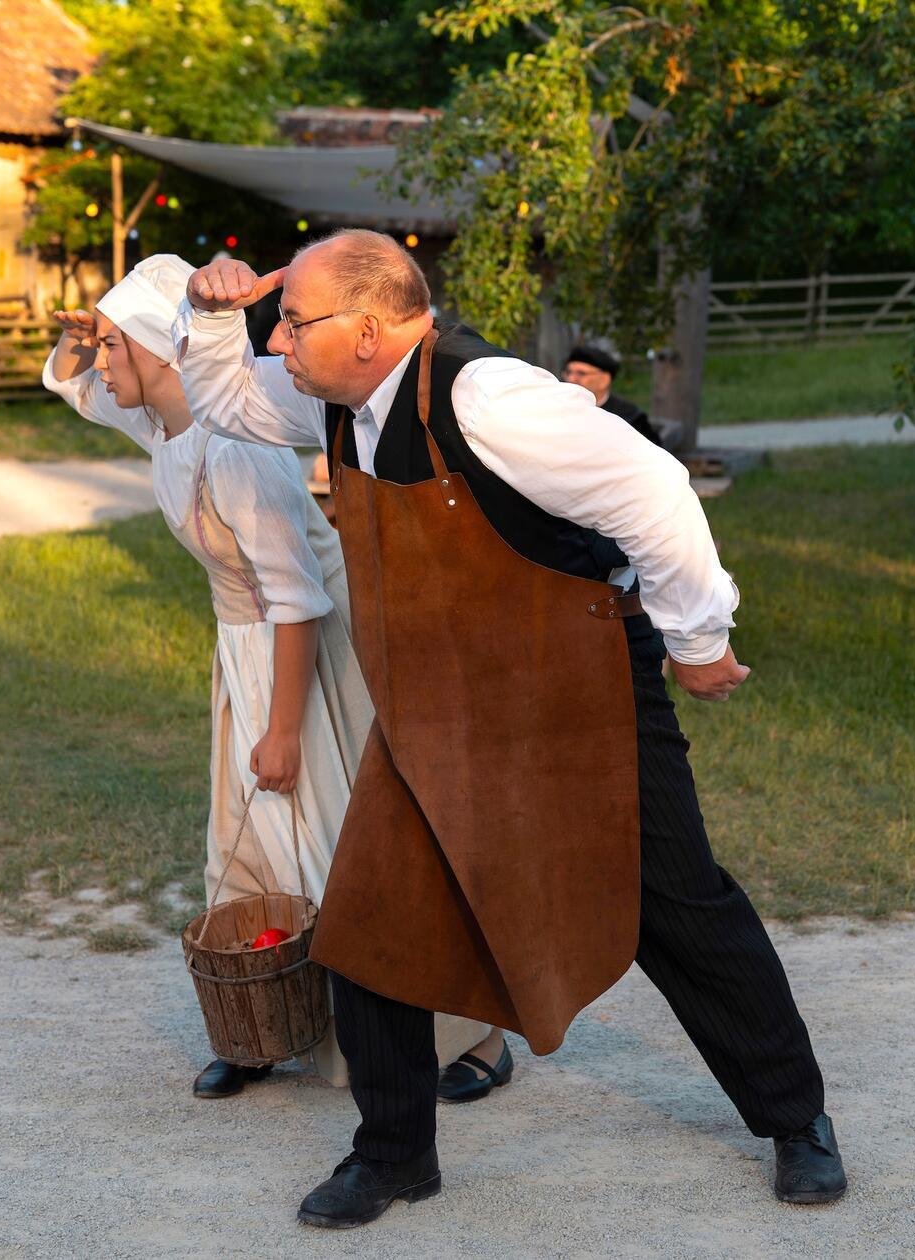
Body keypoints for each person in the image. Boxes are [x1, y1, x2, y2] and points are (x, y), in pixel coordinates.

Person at [175, 229, 846, 1228]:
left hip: (574, 693)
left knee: (675, 905)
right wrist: (209, 313)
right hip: (431, 705)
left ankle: (794, 1118)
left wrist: (697, 638)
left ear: (368, 330)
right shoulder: (335, 398)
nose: (278, 341)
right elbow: (226, 397)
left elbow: (653, 488)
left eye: (294, 320)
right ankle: (393, 1153)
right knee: (369, 922)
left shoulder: (487, 397)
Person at [43, 253, 500, 1101]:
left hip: (305, 654)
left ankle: (463, 1038)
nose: (101, 363)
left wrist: (284, 729)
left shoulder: (235, 450)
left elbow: (299, 598)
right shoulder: (169, 421)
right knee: (250, 839)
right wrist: (82, 341)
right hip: (245, 646)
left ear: (157, 351)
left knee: (336, 849)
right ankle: (266, 1025)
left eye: (112, 345)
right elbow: (84, 392)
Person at [563, 343, 662, 446]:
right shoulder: (557, 408)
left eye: (581, 373)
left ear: (604, 380)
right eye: (568, 372)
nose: (570, 379)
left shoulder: (630, 417)